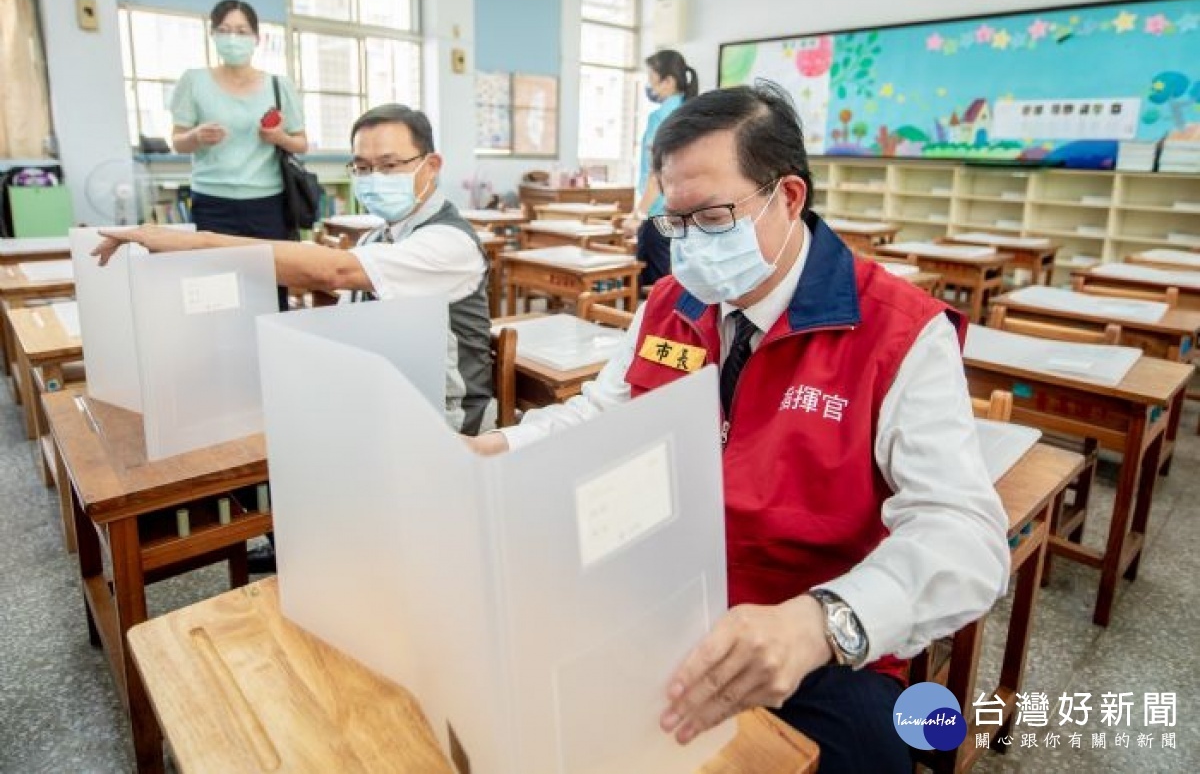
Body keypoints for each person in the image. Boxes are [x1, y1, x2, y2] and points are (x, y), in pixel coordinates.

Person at [471, 82, 1009, 773]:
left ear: (788, 197)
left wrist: (821, 622)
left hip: (810, 640)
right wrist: (501, 445)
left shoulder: (897, 332)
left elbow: (965, 535)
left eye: (713, 217)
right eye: (675, 222)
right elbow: (607, 412)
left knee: (866, 749)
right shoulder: (672, 301)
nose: (691, 246)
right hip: (661, 596)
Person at [97, 103, 494, 437]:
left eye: (389, 165)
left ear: (432, 165)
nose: (375, 179)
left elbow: (332, 272)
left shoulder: (449, 243)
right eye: (363, 167)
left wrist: (196, 243)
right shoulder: (377, 238)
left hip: (438, 419)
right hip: (380, 395)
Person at [170, 0, 308, 311]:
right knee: (213, 293)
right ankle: (220, 354)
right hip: (212, 203)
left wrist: (278, 137)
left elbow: (301, 144)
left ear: (257, 38)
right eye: (225, 30)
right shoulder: (194, 81)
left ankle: (272, 348)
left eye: (242, 31)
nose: (233, 38)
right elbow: (178, 142)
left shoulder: (278, 85)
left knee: (270, 289)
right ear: (213, 35)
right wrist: (196, 136)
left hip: (267, 203)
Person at [621, 50, 698, 289]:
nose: (649, 84)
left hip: (658, 216)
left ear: (669, 81)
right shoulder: (693, 113)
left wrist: (637, 215)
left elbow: (658, 174)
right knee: (674, 284)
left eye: (652, 77)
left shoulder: (662, 117)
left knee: (653, 289)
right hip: (686, 216)